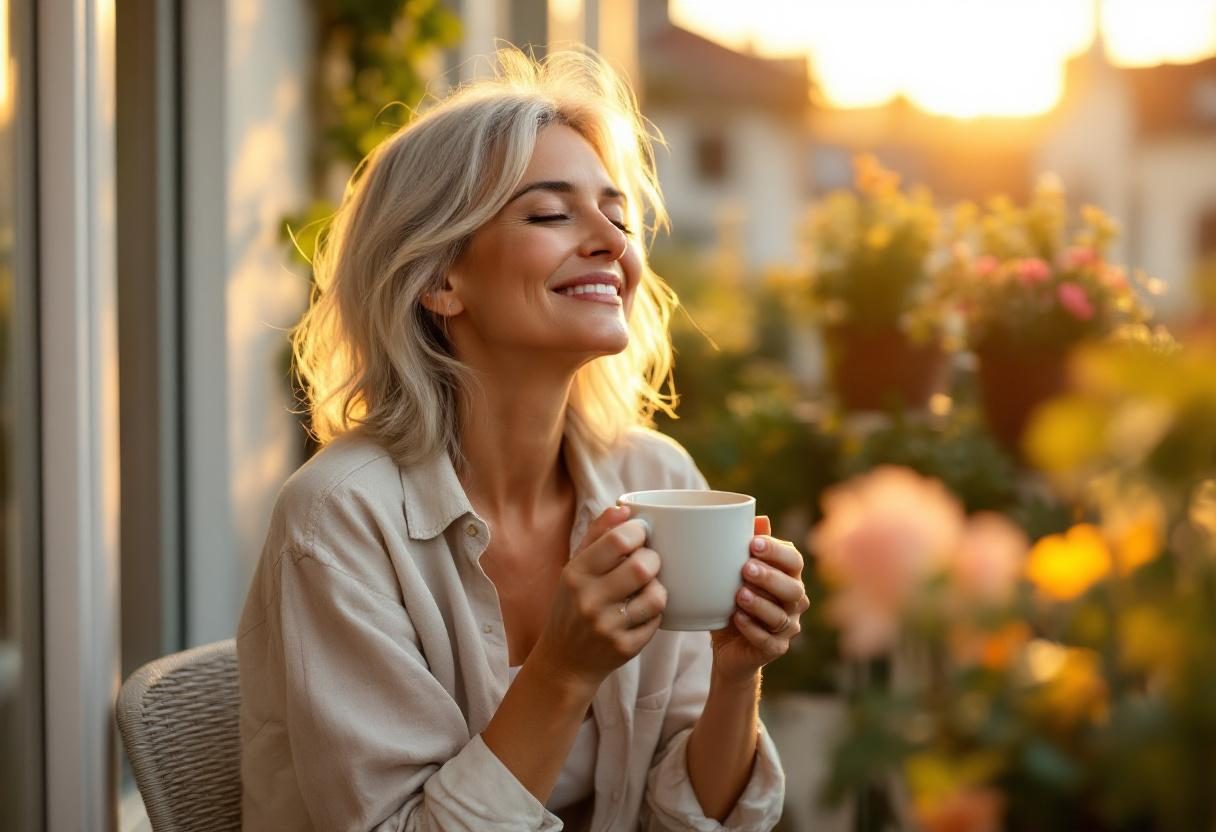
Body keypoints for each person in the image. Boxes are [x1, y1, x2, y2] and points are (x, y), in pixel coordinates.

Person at [237, 46, 809, 831]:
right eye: (550, 214)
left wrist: (737, 677)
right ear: (439, 279)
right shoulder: (338, 521)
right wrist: (563, 671)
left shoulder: (657, 477)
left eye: (617, 215)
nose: (613, 242)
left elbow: (680, 818)